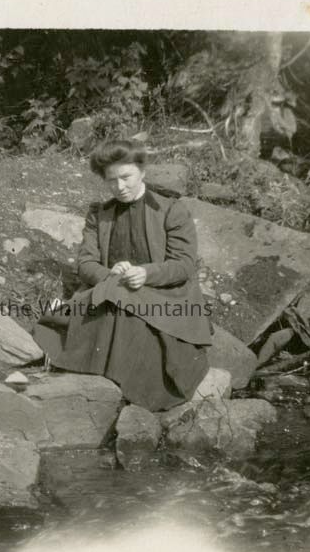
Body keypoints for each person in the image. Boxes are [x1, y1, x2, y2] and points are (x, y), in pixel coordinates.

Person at [32, 139, 212, 411]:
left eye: (126, 177)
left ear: (143, 172)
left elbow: (184, 265)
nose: (120, 187)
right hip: (114, 288)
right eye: (111, 180)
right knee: (114, 297)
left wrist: (146, 273)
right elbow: (86, 263)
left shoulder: (171, 210)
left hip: (164, 294)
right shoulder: (100, 214)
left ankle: (129, 395)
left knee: (122, 307)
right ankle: (105, 391)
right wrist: (108, 273)